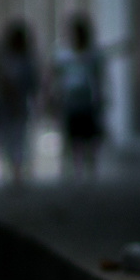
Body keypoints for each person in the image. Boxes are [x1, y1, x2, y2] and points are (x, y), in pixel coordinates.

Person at [53, 13, 104, 178]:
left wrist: (101, 97)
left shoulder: (92, 54)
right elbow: (55, 75)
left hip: (88, 101)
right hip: (71, 101)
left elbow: (99, 77)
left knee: (89, 136)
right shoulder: (64, 55)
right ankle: (77, 169)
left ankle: (90, 168)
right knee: (73, 137)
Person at [0, 19, 39, 184]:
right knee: (10, 137)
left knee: (19, 136)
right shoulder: (7, 59)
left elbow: (32, 83)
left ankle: (17, 169)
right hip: (7, 105)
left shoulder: (25, 60)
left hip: (19, 104)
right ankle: (14, 168)